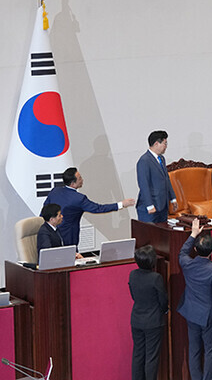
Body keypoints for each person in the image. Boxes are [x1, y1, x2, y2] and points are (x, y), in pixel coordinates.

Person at [178, 218, 212, 380]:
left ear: (196, 249)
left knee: (194, 350)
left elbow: (182, 252)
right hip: (208, 317)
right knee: (211, 351)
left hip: (191, 313)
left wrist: (193, 234)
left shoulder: (187, 264)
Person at [43, 167, 134, 245]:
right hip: (68, 237)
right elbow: (98, 208)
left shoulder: (55, 191)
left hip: (50, 235)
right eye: (80, 178)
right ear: (73, 183)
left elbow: (45, 210)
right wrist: (121, 204)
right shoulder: (79, 199)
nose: (82, 180)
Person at [129, 245, 167, 380]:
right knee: (152, 356)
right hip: (153, 321)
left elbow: (133, 296)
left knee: (138, 354)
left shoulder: (132, 274)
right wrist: (164, 311)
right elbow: (163, 300)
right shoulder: (156, 278)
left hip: (136, 320)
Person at [135, 130, 177, 222]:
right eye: (165, 144)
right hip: (150, 207)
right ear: (156, 143)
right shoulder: (144, 161)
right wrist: (149, 205)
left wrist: (173, 198)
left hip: (162, 206)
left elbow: (166, 179)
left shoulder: (161, 158)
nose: (166, 147)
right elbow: (143, 185)